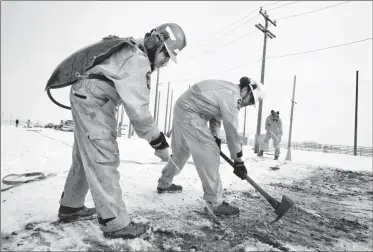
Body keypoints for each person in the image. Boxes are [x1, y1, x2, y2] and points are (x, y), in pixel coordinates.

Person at [48, 23, 187, 239]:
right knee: (104, 157)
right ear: (155, 42)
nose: (165, 62)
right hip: (95, 99)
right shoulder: (139, 60)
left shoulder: (130, 48)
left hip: (86, 94)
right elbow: (139, 111)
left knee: (85, 156)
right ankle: (115, 223)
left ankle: (71, 206)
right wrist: (158, 141)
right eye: (166, 55)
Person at [156, 77, 265, 216]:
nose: (247, 105)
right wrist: (238, 161)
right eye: (250, 100)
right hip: (191, 111)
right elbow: (231, 131)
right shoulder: (233, 97)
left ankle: (165, 182)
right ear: (245, 90)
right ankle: (215, 202)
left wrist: (215, 136)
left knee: (182, 149)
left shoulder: (227, 90)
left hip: (182, 108)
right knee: (209, 152)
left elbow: (216, 116)